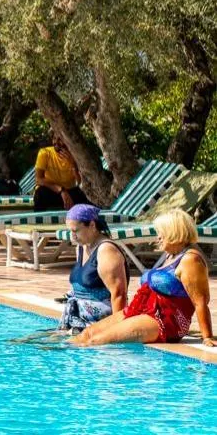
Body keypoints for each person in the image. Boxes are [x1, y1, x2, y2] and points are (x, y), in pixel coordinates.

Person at [72, 210, 216, 347]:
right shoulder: (170, 255)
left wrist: (207, 336)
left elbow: (200, 302)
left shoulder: (191, 260)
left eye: (162, 233)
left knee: (96, 341)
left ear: (175, 232)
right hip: (143, 310)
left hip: (165, 321)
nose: (158, 237)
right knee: (86, 334)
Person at [57, 204, 129, 334]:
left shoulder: (106, 250)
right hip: (79, 323)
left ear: (92, 225)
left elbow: (119, 294)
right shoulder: (81, 247)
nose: (72, 236)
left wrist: (117, 332)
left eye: (75, 231)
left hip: (100, 325)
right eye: (70, 231)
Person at [32, 135, 89, 211]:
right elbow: (38, 179)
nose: (56, 142)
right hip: (51, 191)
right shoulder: (45, 153)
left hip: (69, 193)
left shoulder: (75, 155)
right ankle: (38, 220)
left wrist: (73, 164)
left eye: (60, 139)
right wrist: (61, 190)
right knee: (40, 192)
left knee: (82, 195)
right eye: (54, 138)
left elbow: (80, 182)